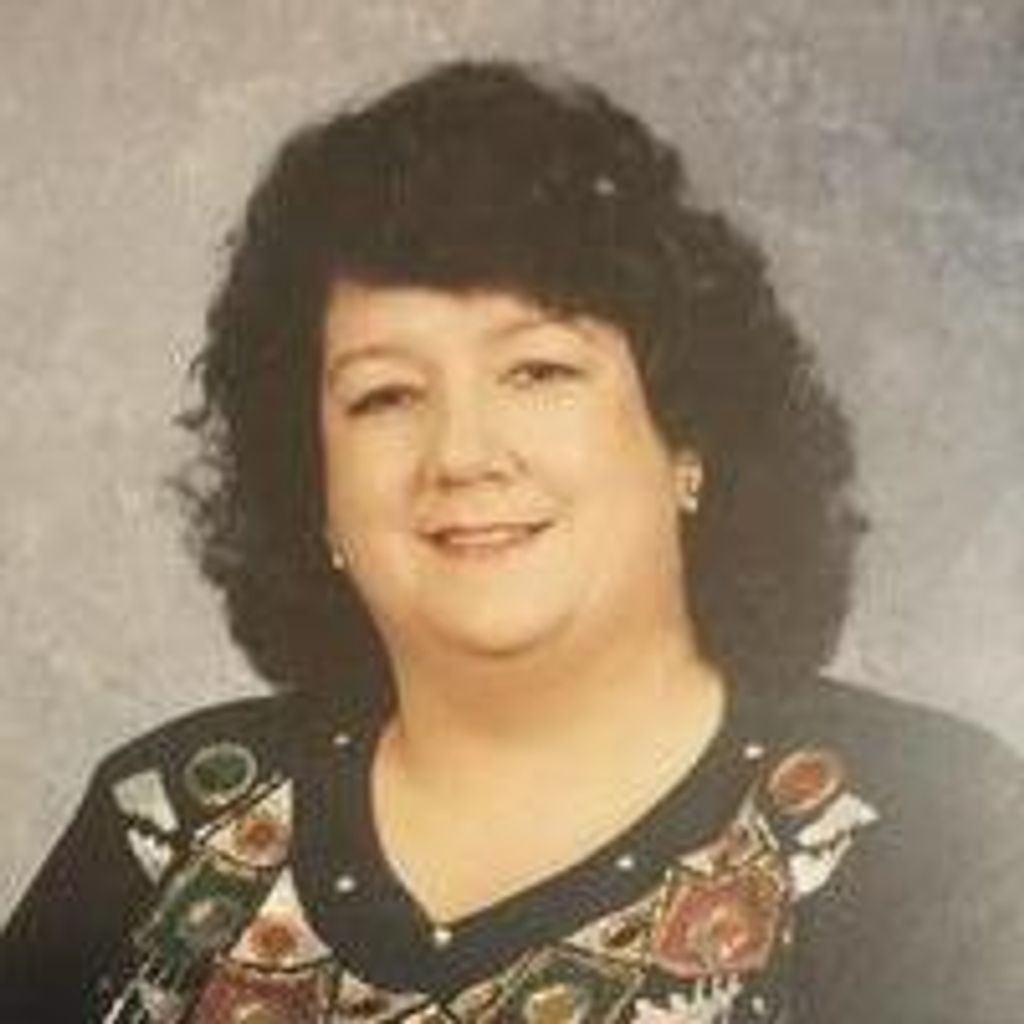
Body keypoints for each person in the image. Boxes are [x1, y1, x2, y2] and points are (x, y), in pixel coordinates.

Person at [2, 60, 1022, 1024]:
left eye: (537, 372)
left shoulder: (927, 832)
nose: (461, 453)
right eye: (385, 395)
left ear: (688, 438)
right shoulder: (174, 817)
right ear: (315, 489)